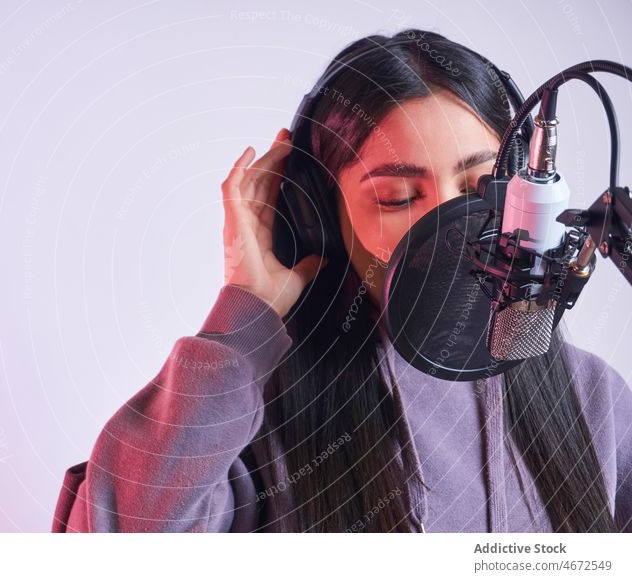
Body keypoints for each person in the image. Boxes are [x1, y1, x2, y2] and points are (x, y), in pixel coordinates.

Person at [52, 29, 632, 533]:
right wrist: (243, 317)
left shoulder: (595, 399)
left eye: (480, 186)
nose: (450, 228)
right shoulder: (243, 422)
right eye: (399, 197)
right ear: (323, 219)